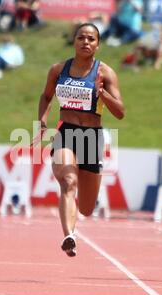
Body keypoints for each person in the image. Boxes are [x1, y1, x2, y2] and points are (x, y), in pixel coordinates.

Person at [34, 23, 125, 257]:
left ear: (98, 44)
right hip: (66, 133)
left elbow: (120, 112)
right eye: (81, 38)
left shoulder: (105, 73)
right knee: (68, 182)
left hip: (92, 136)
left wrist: (102, 93)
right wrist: (42, 122)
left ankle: (75, 223)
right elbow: (46, 97)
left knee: (86, 207)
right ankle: (69, 235)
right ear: (74, 41)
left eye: (91, 39)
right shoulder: (58, 70)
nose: (86, 42)